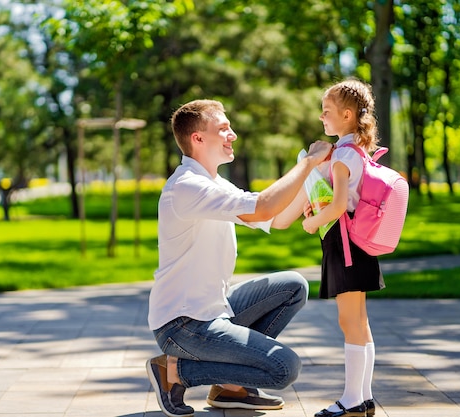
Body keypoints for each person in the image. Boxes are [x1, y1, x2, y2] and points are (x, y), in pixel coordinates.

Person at [146, 99, 333, 417]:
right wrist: (307, 164)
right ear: (198, 139)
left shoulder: (215, 183)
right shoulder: (187, 187)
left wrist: (315, 180)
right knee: (282, 368)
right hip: (183, 324)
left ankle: (229, 387)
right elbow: (263, 206)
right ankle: (175, 372)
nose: (232, 134)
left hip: (214, 310)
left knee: (293, 286)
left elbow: (278, 218)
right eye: (223, 129)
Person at [301, 79, 385, 417]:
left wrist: (310, 222)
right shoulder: (358, 151)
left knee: (349, 321)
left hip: (344, 243)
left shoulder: (342, 156)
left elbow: (336, 207)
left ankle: (351, 400)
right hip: (360, 243)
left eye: (327, 112)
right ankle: (363, 397)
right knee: (360, 322)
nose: (322, 118)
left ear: (347, 115)